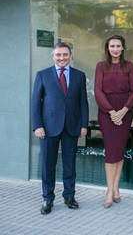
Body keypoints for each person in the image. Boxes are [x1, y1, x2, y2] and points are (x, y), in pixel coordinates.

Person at [31, 43, 89, 215]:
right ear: (53, 56)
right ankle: (47, 198)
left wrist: (84, 124)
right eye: (58, 55)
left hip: (71, 127)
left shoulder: (79, 76)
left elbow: (83, 103)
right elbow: (35, 103)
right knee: (48, 165)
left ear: (70, 55)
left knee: (70, 165)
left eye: (65, 54)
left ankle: (69, 196)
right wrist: (37, 126)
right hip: (48, 128)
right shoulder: (42, 75)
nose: (62, 58)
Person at [94, 35, 133, 208]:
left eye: (118, 46)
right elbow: (97, 91)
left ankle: (116, 188)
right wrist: (112, 112)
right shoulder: (101, 66)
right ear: (107, 48)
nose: (115, 49)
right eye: (112, 46)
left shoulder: (129, 66)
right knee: (111, 153)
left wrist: (123, 111)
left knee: (119, 151)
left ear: (123, 47)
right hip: (107, 112)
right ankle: (109, 190)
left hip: (125, 111)